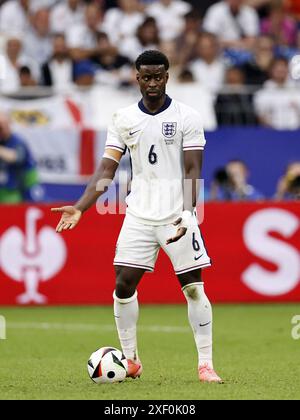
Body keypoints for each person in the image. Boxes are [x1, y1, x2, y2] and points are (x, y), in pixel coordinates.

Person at [52, 50, 223, 384]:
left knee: (192, 287)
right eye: (146, 77)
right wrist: (81, 206)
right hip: (139, 215)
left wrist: (189, 214)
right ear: (137, 78)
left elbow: (193, 168)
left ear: (167, 77)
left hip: (177, 216)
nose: (153, 83)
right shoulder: (123, 118)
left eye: (159, 76)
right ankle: (130, 360)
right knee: (122, 285)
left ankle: (206, 364)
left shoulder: (187, 116)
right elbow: (107, 168)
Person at [0, 112, 42, 204]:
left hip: (25, 184)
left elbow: (17, 157)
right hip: (6, 186)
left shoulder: (18, 140)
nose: (1, 130)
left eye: (2, 127)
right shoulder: (2, 140)